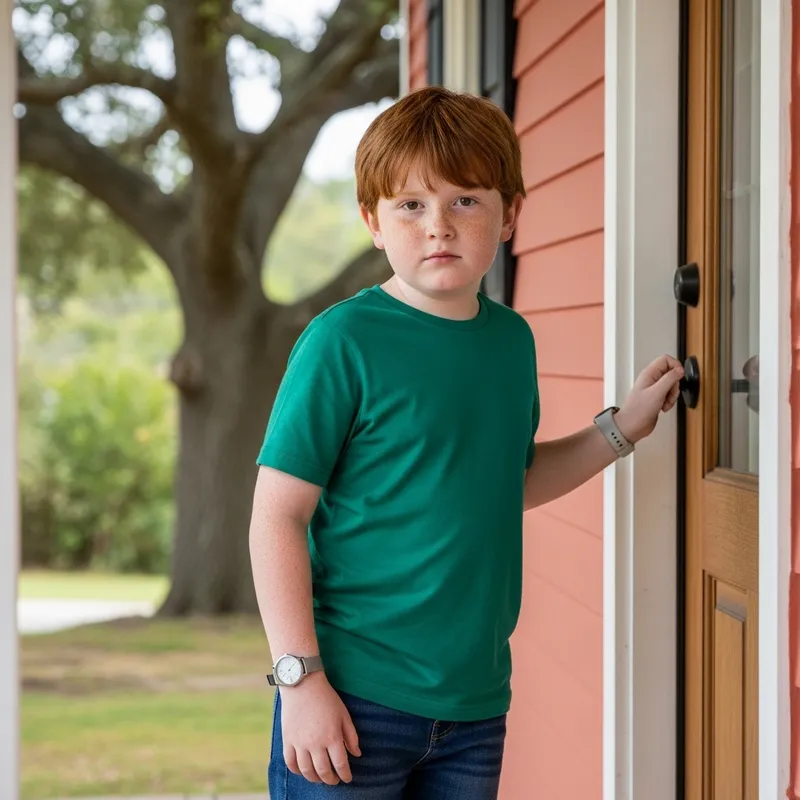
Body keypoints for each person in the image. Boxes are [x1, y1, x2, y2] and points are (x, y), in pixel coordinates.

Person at [248, 86, 683, 800]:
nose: (438, 227)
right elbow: (277, 515)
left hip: (474, 708)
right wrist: (300, 680)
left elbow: (505, 481)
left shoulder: (510, 342)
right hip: (352, 697)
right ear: (373, 221)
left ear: (509, 215)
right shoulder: (342, 343)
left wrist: (619, 430)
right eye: (410, 205)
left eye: (465, 200)